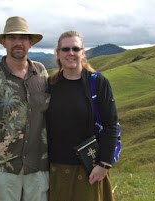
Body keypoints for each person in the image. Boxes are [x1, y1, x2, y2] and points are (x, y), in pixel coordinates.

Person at [0, 16, 50, 201]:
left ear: (30, 43)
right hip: (1, 171)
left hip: (38, 169)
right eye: (12, 38)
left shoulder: (41, 72)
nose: (17, 43)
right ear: (3, 42)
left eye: (22, 38)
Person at [46, 31, 118, 201]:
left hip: (89, 169)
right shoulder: (50, 85)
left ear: (83, 53)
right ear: (58, 53)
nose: (71, 53)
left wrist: (104, 164)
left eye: (76, 49)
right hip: (56, 168)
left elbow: (111, 125)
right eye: (65, 49)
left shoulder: (98, 83)